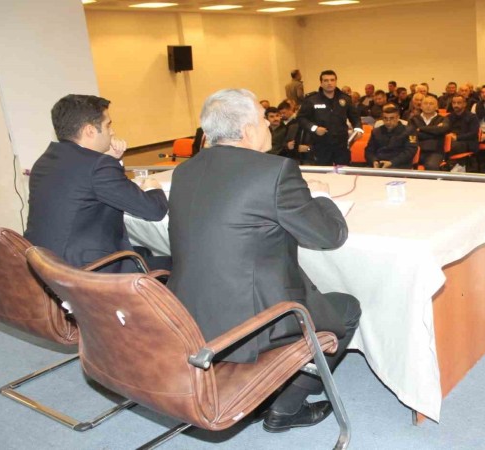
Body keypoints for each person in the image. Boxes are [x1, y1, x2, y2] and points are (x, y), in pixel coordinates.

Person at [167, 88, 361, 432]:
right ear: (246, 130)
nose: (270, 124)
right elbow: (328, 236)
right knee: (346, 307)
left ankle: (268, 392)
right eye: (263, 118)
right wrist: (323, 200)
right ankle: (285, 408)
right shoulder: (275, 171)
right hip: (251, 324)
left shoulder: (184, 171)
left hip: (188, 315)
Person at [25, 94, 167, 273]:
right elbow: (154, 211)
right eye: (108, 125)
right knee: (180, 265)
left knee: (144, 251)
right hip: (87, 271)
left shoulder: (45, 161)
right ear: (90, 131)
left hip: (45, 265)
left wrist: (113, 160)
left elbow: (97, 188)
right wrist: (153, 187)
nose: (112, 132)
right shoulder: (97, 166)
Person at [297, 70, 363, 165]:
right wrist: (315, 128)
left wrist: (358, 129)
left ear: (336, 82)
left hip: (341, 144)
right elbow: (301, 118)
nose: (329, 83)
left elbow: (355, 117)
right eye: (326, 80)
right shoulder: (312, 100)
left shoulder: (345, 99)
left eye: (332, 80)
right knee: (323, 172)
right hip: (321, 144)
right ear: (321, 83)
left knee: (343, 171)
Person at [365, 105, 416, 169]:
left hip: (400, 165)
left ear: (398, 117)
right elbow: (369, 151)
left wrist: (392, 162)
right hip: (379, 165)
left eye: (391, 118)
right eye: (385, 118)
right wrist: (374, 161)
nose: (388, 122)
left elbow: (410, 151)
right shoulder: (376, 131)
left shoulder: (409, 131)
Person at [407, 95, 449, 171]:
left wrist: (421, 129)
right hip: (416, 151)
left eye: (431, 104)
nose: (428, 106)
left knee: (431, 166)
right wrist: (434, 131)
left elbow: (442, 130)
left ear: (436, 107)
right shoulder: (413, 119)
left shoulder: (443, 119)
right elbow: (411, 134)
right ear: (421, 106)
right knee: (402, 163)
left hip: (435, 152)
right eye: (425, 103)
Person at [446, 93, 480, 172]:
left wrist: (457, 137)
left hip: (468, 142)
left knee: (452, 145)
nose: (456, 105)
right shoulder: (449, 117)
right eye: (454, 103)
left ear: (464, 104)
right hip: (452, 140)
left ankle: (456, 165)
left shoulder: (472, 117)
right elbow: (446, 130)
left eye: (459, 103)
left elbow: (473, 133)